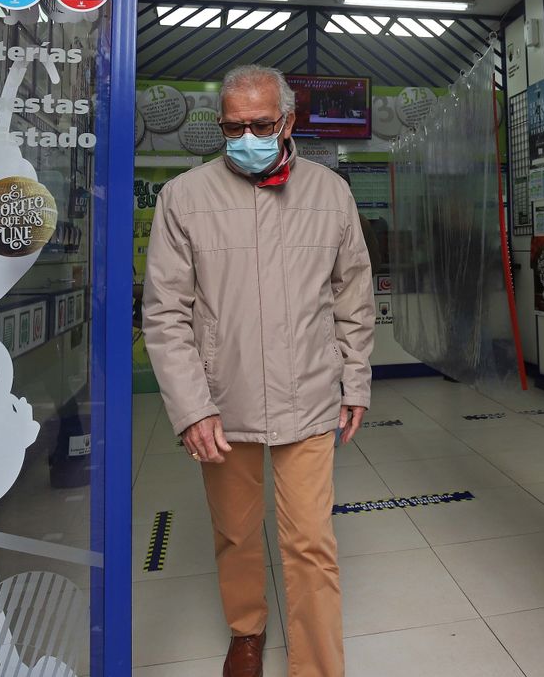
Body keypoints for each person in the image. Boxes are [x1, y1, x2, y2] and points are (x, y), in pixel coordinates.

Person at [143, 64, 375, 677]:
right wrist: (193, 407)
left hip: (311, 396)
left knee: (310, 543)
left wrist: (356, 381)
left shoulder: (330, 193)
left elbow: (354, 298)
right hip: (225, 401)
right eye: (234, 126)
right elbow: (164, 314)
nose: (247, 136)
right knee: (236, 533)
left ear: (289, 121)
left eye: (262, 124)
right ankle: (246, 632)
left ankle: (318, 667)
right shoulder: (184, 197)